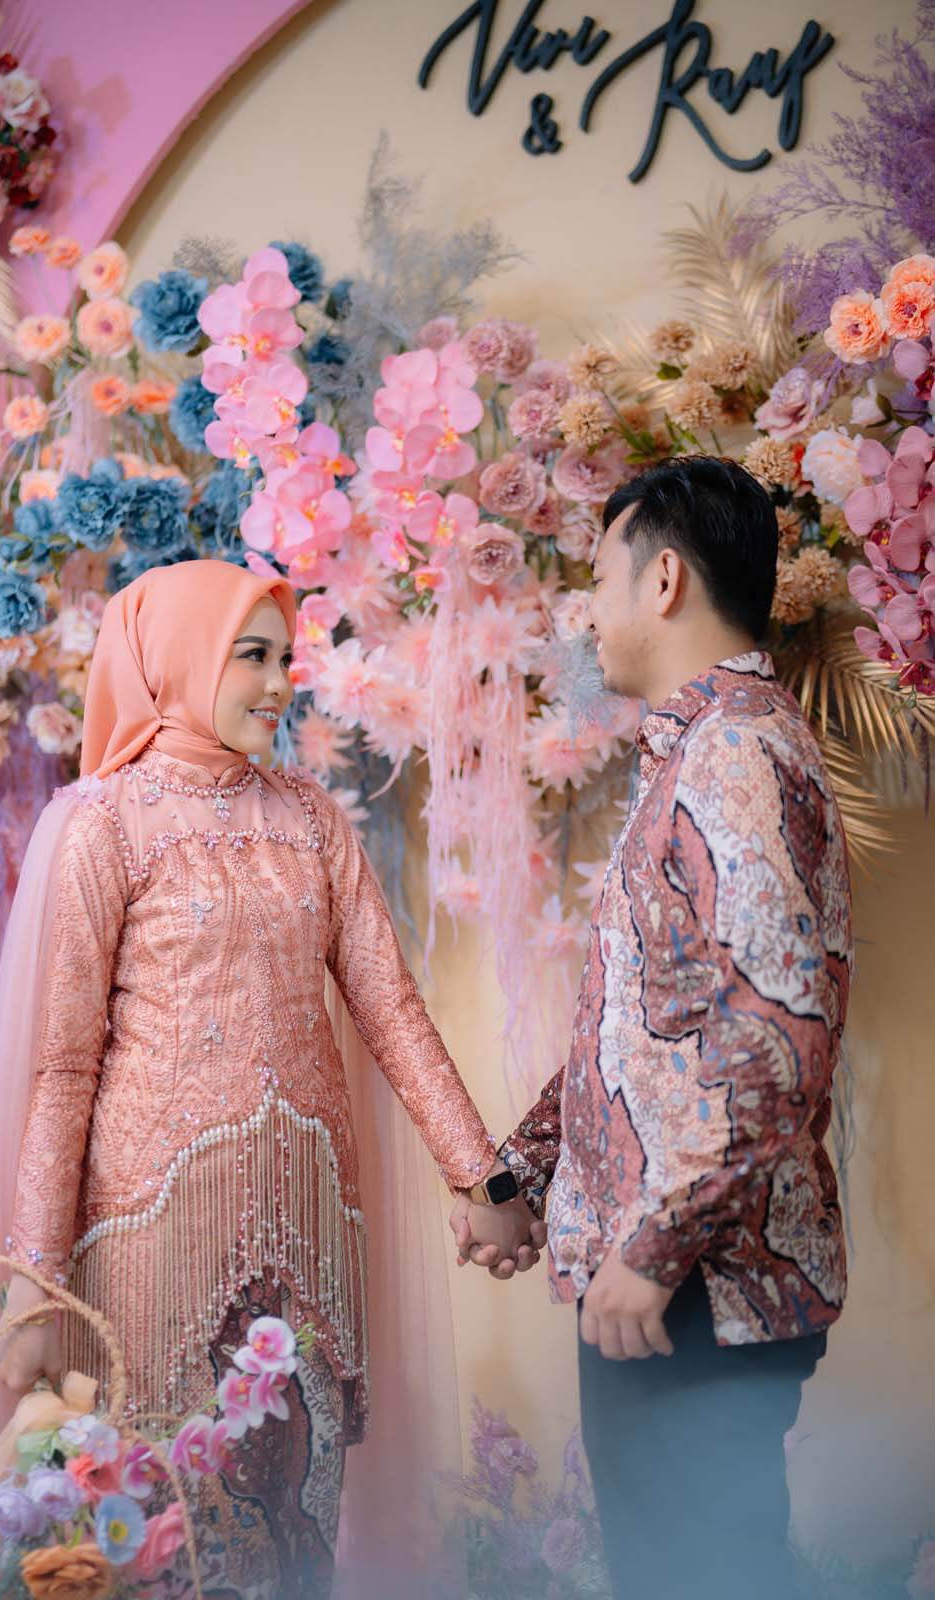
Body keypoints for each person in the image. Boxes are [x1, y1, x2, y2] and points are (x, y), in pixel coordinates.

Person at [0, 559, 542, 1600]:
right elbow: (62, 1071)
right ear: (177, 660)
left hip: (307, 1244)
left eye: (284, 658)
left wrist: (481, 1177)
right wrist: (32, 1286)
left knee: (296, 1527)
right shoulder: (101, 824)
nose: (277, 683)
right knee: (167, 1539)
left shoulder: (309, 817)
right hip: (150, 1254)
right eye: (249, 656)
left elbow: (390, 1008)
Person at [452, 455, 853, 1600]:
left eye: (597, 580)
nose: (588, 611)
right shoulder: (700, 748)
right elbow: (639, 1027)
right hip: (678, 1275)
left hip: (697, 1285)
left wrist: (652, 1246)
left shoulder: (732, 755)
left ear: (663, 579)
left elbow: (777, 1037)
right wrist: (517, 1174)